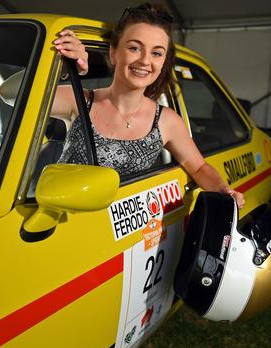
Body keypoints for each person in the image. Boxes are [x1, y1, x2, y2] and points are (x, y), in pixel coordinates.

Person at [50, 2, 245, 208]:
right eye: (135, 48)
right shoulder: (80, 100)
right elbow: (12, 94)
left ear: (162, 63)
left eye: (157, 53)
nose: (145, 61)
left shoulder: (166, 121)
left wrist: (224, 190)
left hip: (122, 234)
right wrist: (61, 70)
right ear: (114, 52)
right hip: (61, 222)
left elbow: (198, 168)